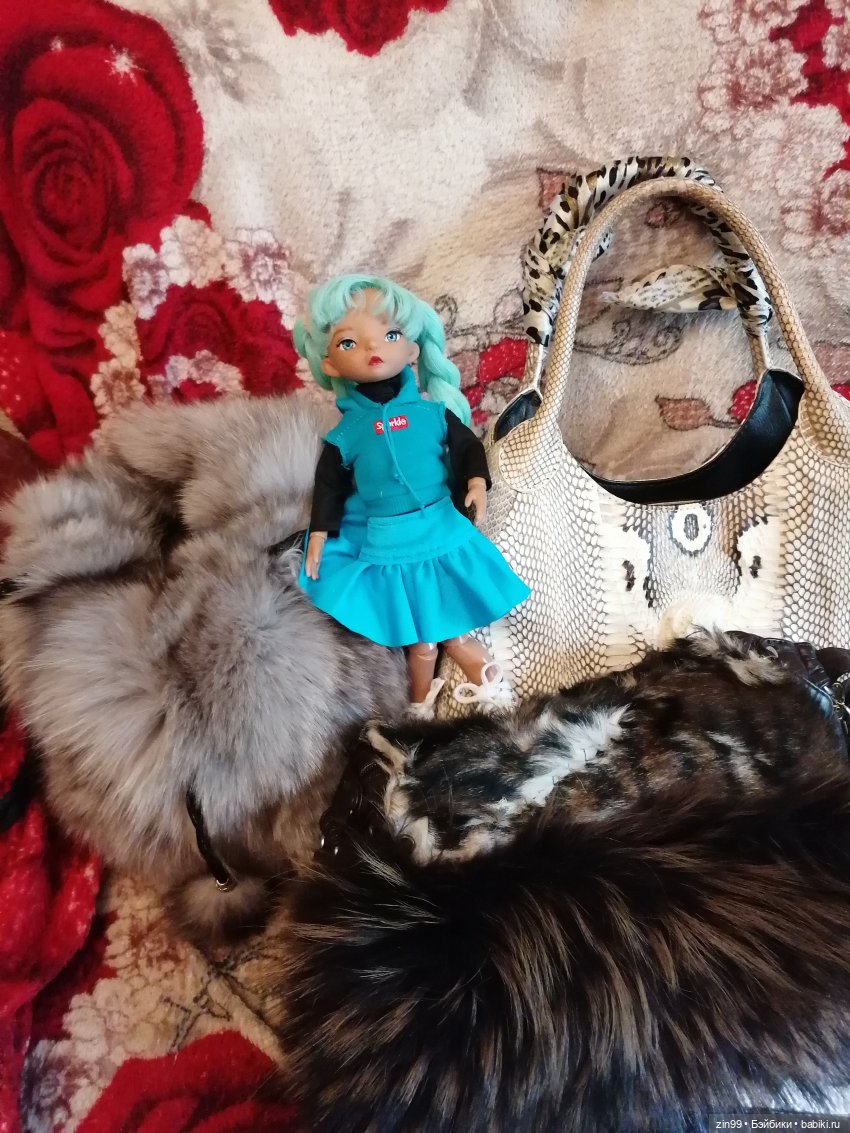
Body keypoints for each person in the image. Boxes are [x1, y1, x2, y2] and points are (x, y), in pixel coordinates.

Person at [293, 274, 530, 717]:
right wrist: (321, 531)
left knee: (452, 634)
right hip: (388, 538)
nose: (373, 347)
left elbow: (467, 447)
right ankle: (419, 707)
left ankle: (491, 691)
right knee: (420, 643)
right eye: (349, 343)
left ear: (413, 351)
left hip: (438, 525)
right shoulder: (346, 433)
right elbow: (330, 484)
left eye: (390, 335)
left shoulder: (432, 413)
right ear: (329, 365)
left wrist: (476, 482)